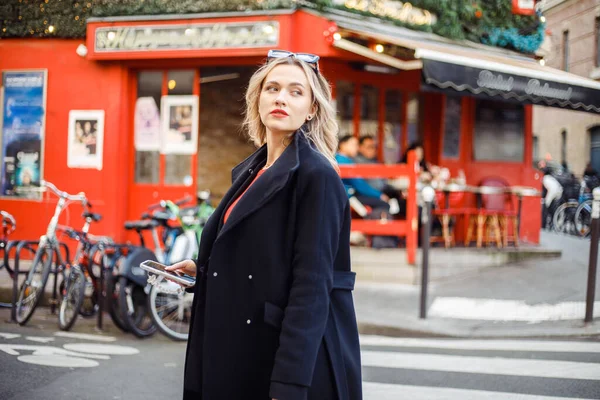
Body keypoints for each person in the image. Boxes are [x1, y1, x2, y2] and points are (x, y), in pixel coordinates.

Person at [166, 49, 362, 400]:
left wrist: (289, 384)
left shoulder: (317, 176)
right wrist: (203, 270)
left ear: (312, 108)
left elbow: (312, 285)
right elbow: (262, 254)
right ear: (258, 99)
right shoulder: (253, 170)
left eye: (295, 91)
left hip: (275, 357)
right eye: (272, 88)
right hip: (235, 345)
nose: (281, 98)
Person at [335, 135, 390, 212]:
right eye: (353, 145)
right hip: (347, 196)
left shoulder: (342, 159)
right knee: (384, 204)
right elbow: (359, 184)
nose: (356, 148)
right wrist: (379, 195)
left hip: (346, 195)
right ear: (342, 145)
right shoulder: (343, 161)